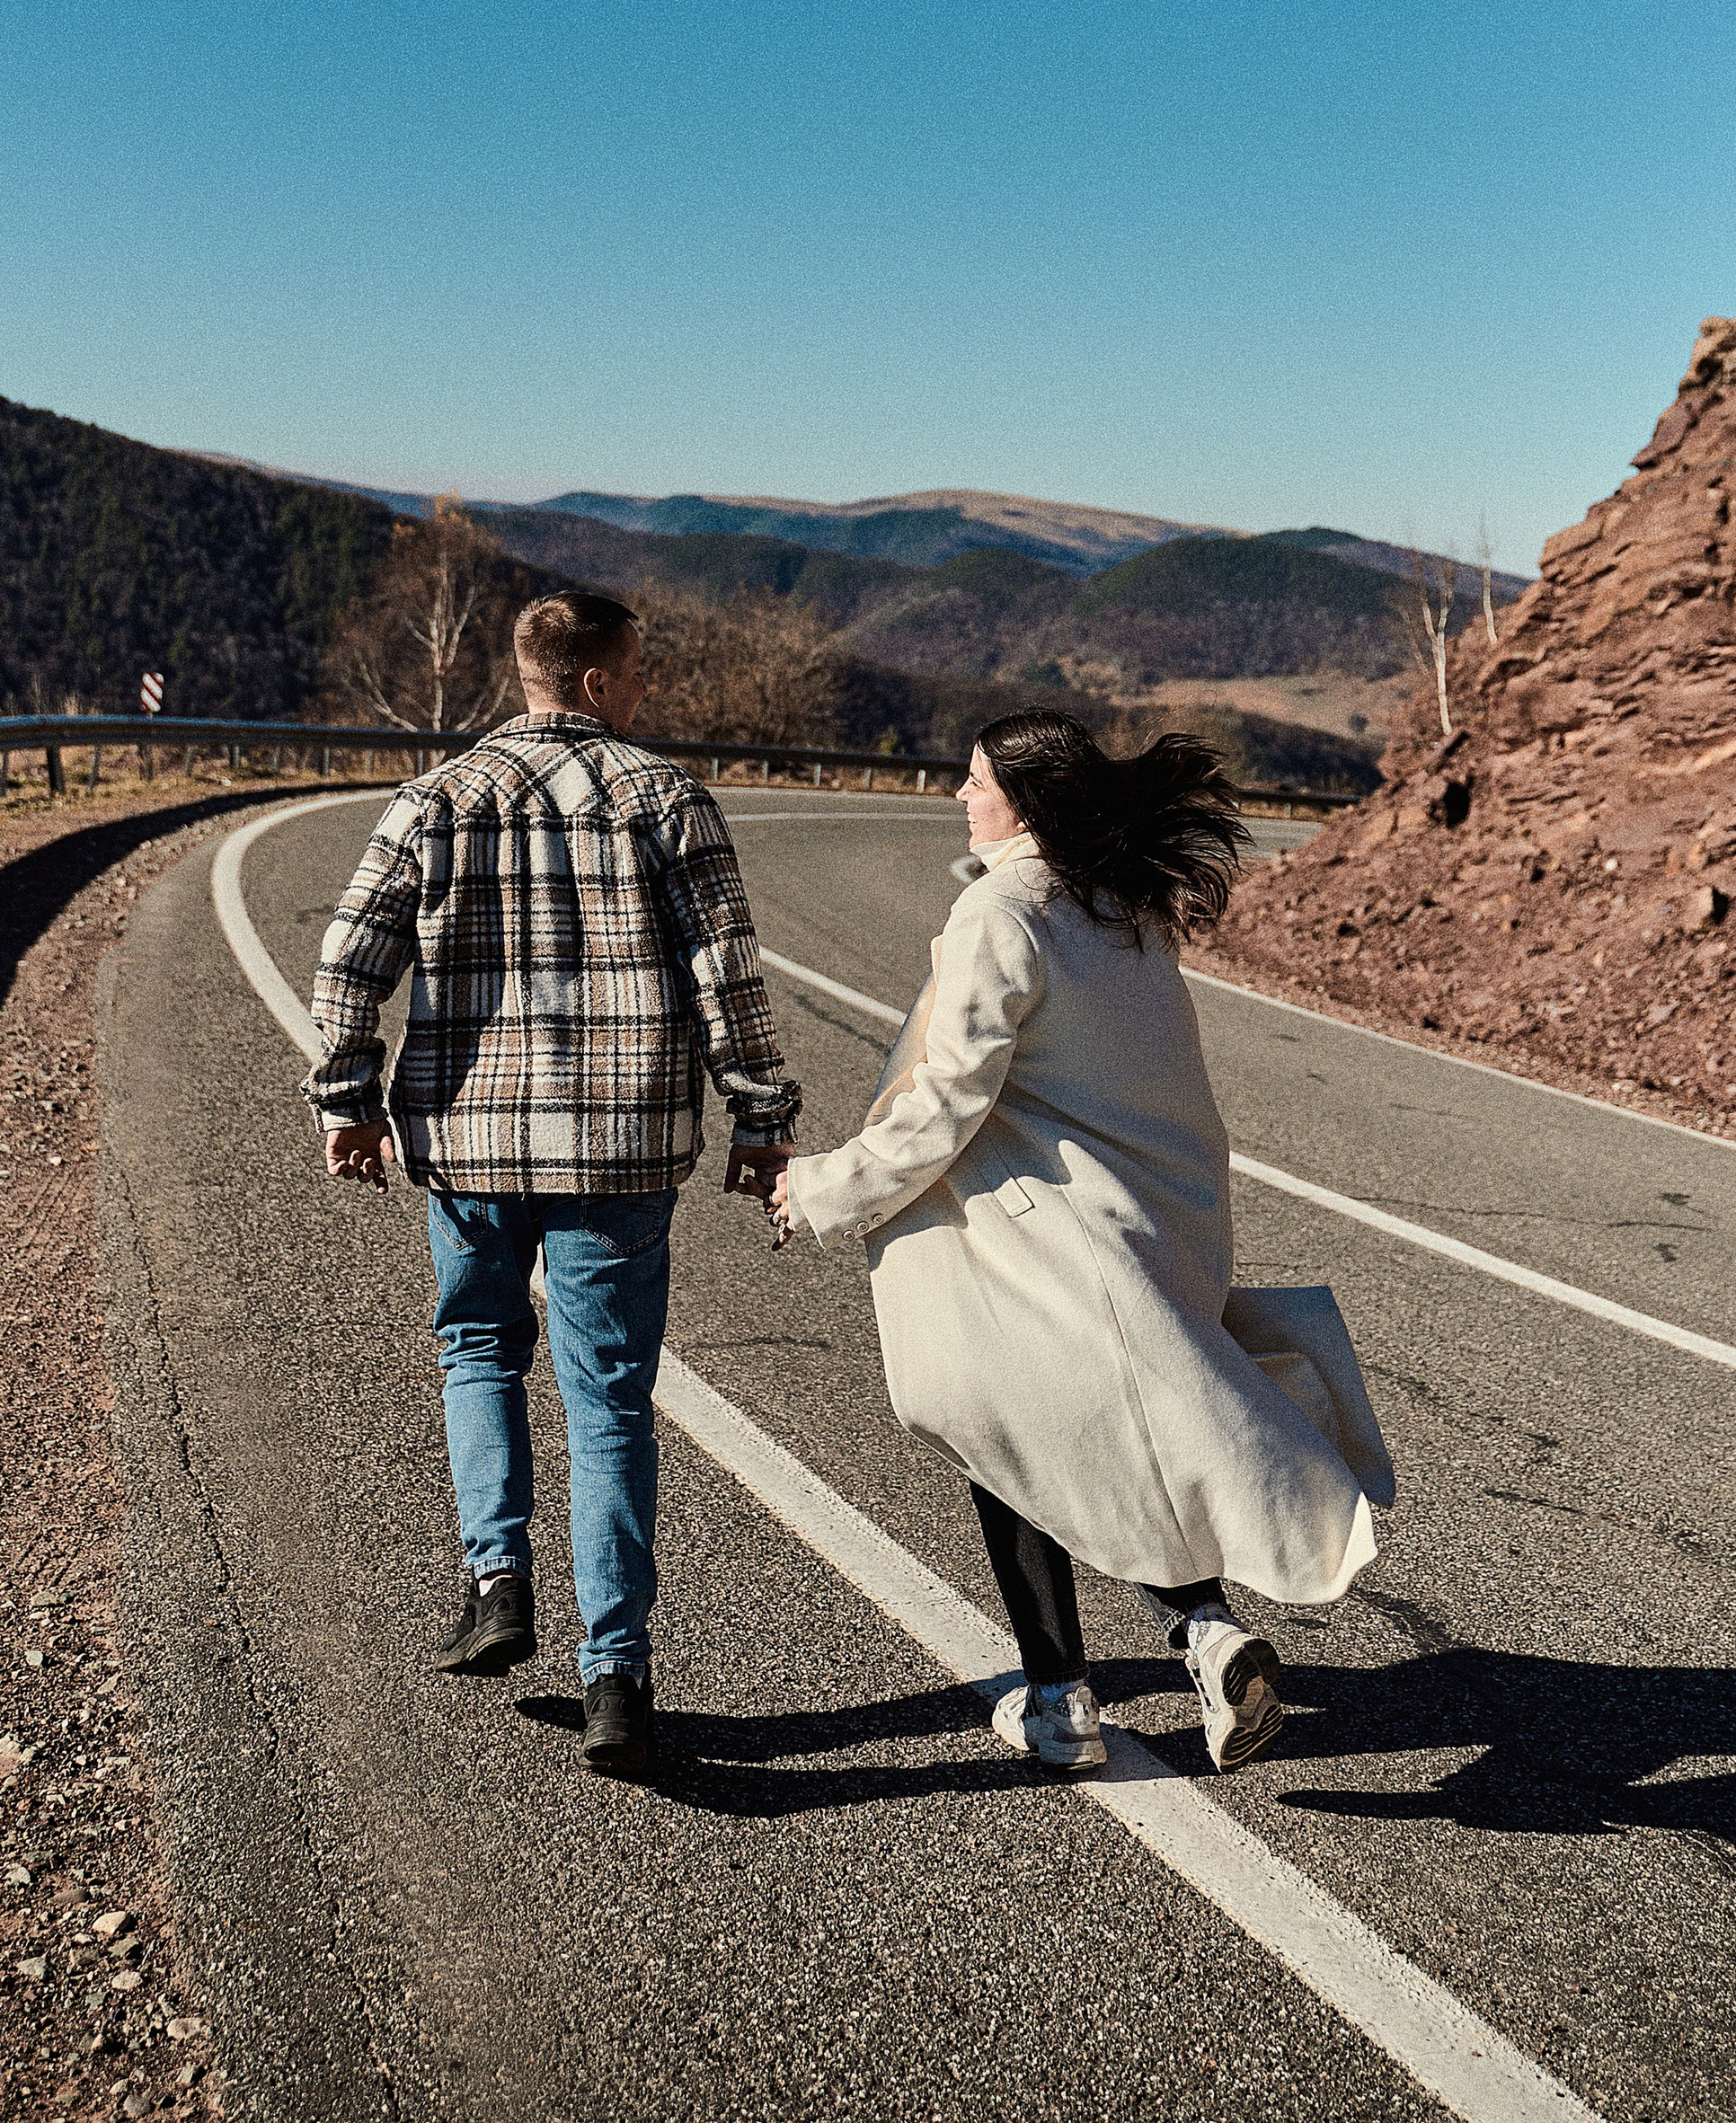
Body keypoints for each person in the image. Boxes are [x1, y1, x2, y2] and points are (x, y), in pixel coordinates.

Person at [774, 710, 1383, 1775]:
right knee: (1082, 1439)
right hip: (1145, 1219)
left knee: (1005, 1434)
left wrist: (822, 1188)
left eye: (974, 781)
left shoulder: (1003, 911)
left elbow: (942, 1103)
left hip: (1040, 1234)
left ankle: (1063, 1702)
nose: (958, 796)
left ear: (1027, 799)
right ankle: (1206, 1633)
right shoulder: (1123, 908)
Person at [308, 588, 800, 1782]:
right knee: (611, 1405)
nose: (645, 691)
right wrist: (761, 1117)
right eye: (635, 673)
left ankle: (495, 1583)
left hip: (467, 1142)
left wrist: (347, 1097)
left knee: (478, 1348)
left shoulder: (433, 800)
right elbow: (725, 975)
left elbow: (348, 955)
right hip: (620, 1148)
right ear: (589, 681)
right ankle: (616, 1677)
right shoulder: (664, 799)